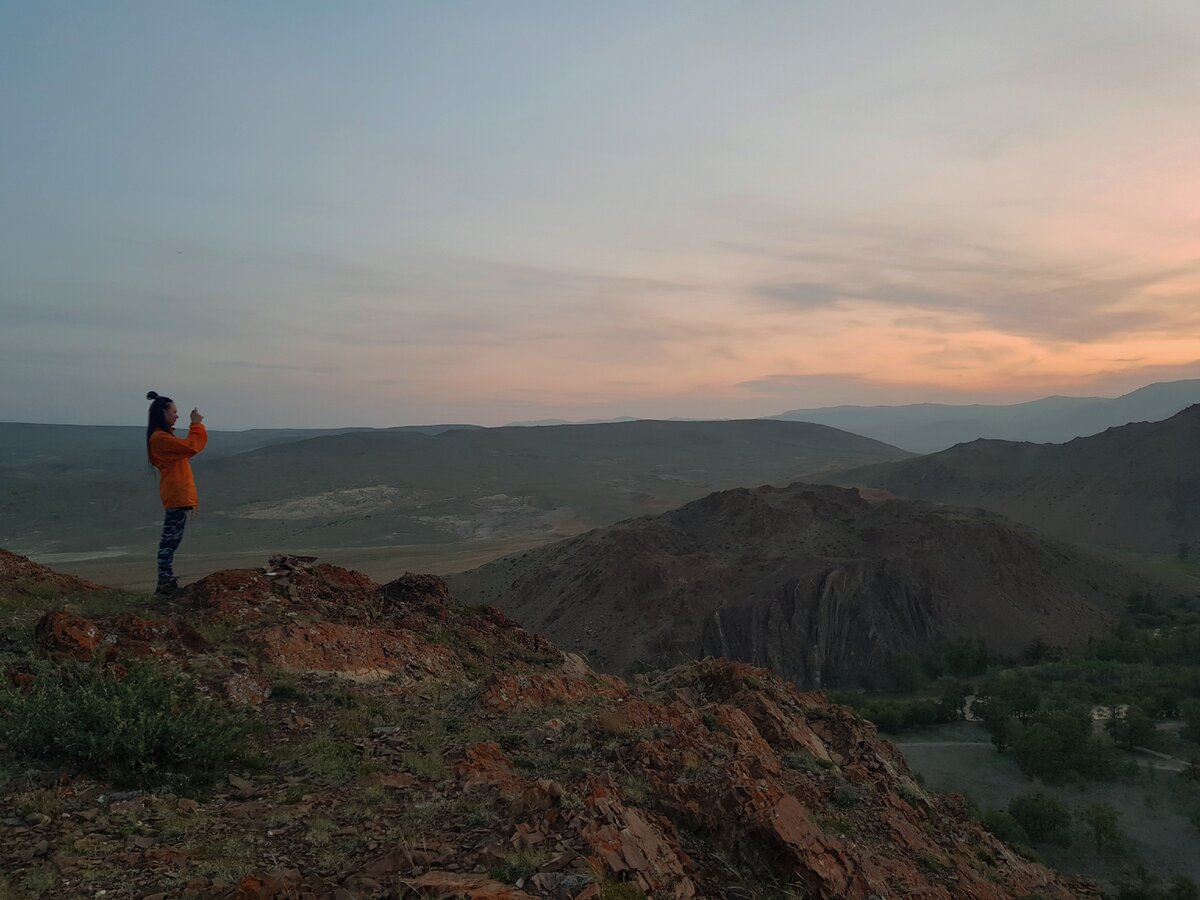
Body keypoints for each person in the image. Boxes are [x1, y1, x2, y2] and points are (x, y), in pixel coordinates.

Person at [145, 391, 207, 595]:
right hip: (176, 495)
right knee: (169, 541)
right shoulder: (160, 438)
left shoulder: (162, 437)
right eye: (174, 412)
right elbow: (191, 446)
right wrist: (196, 424)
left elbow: (187, 449)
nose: (176, 416)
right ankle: (165, 583)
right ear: (162, 413)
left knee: (172, 540)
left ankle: (166, 581)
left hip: (177, 494)